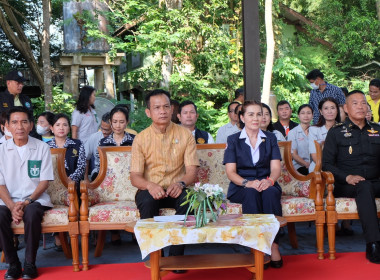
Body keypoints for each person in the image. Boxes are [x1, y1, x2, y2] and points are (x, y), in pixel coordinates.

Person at [130, 89, 199, 268]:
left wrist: (181, 183)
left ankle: (176, 259)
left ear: (171, 109)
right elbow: (135, 177)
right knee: (147, 202)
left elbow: (192, 171)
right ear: (148, 112)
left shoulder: (185, 135)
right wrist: (150, 185)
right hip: (151, 189)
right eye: (157, 107)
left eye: (166, 107)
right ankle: (156, 257)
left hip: (177, 188)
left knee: (188, 201)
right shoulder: (141, 138)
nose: (162, 111)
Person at [322, 90, 380, 264]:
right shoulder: (336, 132)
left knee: (367, 185)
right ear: (346, 108)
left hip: (375, 180)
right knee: (364, 186)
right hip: (346, 184)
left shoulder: (377, 129)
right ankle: (374, 244)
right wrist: (346, 177)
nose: (361, 106)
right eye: (355, 103)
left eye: (363, 103)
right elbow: (326, 164)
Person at [224, 100, 283, 268]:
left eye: (260, 114)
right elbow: (230, 172)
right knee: (251, 194)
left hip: (266, 182)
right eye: (251, 114)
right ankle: (256, 248)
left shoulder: (270, 138)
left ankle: (273, 245)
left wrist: (269, 181)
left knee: (270, 193)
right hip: (241, 186)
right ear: (242, 117)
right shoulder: (233, 139)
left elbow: (276, 168)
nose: (256, 118)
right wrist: (247, 183)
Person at [0, 107, 54, 279]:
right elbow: (0, 184)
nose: (19, 127)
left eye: (24, 122)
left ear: (31, 125)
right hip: (8, 200)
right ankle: (13, 264)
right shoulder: (1, 150)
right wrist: (11, 206)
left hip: (35, 199)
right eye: (14, 122)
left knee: (31, 213)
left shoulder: (41, 147)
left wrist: (27, 201)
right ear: (7, 126)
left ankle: (30, 264)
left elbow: (44, 181)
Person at [47, 113, 86, 251]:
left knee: (76, 193)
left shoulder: (77, 144)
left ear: (69, 128)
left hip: (72, 184)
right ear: (51, 128)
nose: (61, 128)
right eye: (57, 125)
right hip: (52, 185)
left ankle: (74, 233)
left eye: (64, 124)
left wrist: (70, 180)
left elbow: (81, 166)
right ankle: (58, 235)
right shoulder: (46, 147)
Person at [93, 107, 135, 179]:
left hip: (130, 180)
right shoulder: (103, 143)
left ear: (127, 122)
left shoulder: (135, 141)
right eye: (115, 122)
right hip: (109, 180)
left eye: (121, 122)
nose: (118, 126)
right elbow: (99, 167)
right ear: (110, 122)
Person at [308, 97, 340, 172]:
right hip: (319, 169)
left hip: (340, 169)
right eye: (326, 108)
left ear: (337, 110)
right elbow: (315, 156)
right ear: (321, 112)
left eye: (332, 108)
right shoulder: (314, 130)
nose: (330, 111)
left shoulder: (343, 129)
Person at [84, 112, 112, 181]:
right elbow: (85, 158)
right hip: (98, 173)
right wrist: (86, 178)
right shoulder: (94, 137)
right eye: (102, 128)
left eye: (107, 130)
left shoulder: (118, 138)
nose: (103, 132)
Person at [287, 105, 313, 175]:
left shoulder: (315, 131)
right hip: (299, 167)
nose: (306, 116)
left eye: (308, 113)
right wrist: (306, 164)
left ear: (312, 115)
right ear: (298, 115)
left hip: (315, 166)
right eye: (303, 113)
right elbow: (294, 155)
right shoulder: (293, 133)